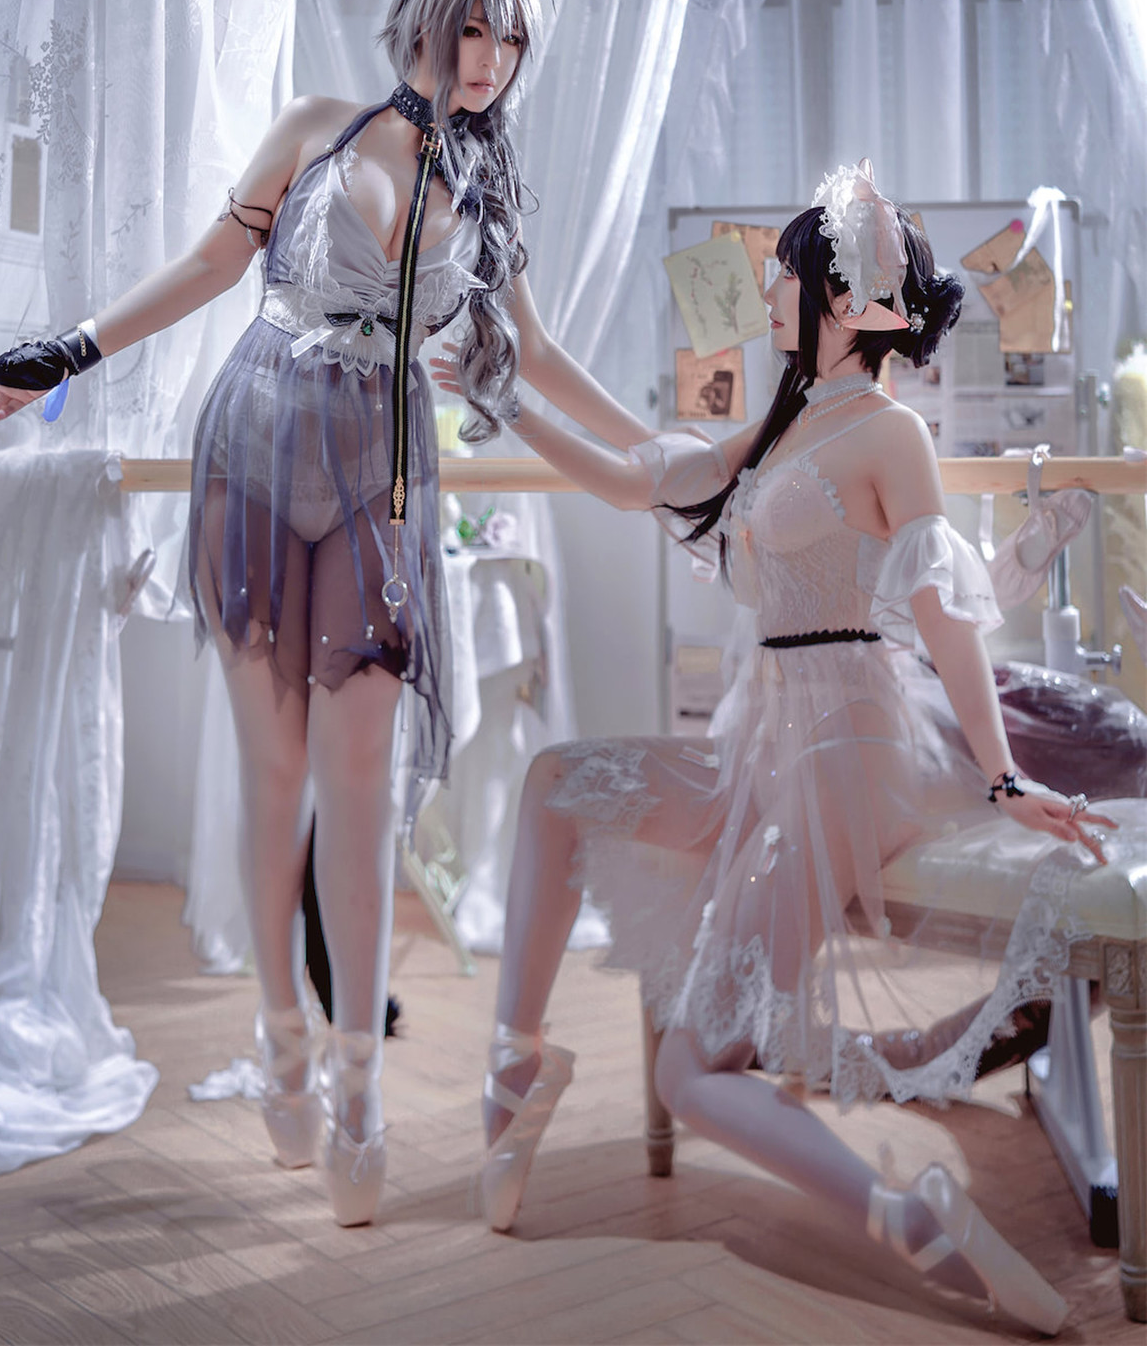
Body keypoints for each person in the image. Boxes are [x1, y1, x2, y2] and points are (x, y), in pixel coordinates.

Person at [0, 0, 654, 1226]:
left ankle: (358, 1087)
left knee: (365, 787)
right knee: (274, 778)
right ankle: (280, 1031)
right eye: (475, 28)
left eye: (513, 39)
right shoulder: (316, 129)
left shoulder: (488, 196)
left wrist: (661, 450)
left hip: (380, 475)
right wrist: (66, 351)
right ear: (427, 18)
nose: (491, 59)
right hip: (257, 447)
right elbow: (210, 268)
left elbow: (538, 356)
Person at [434, 161, 1115, 1334]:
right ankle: (515, 1068)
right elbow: (636, 477)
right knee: (557, 783)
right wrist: (506, 399)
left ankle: (913, 1221)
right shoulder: (792, 420)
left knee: (691, 1068)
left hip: (848, 750)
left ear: (845, 297)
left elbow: (946, 617)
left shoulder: (890, 433)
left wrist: (1005, 776)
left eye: (787, 274)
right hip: (769, 737)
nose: (768, 289)